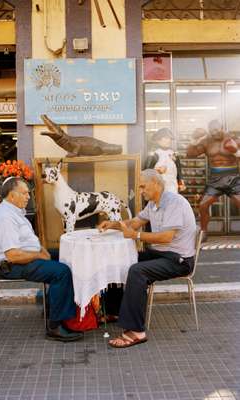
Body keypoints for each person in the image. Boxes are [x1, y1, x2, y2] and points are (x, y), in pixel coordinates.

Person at [98, 169, 196, 348]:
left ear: (156, 184)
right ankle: (114, 311)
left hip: (179, 260)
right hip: (161, 254)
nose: (141, 191)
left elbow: (166, 237)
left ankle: (136, 331)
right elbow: (135, 223)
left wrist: (135, 236)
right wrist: (113, 224)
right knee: (120, 259)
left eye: (143, 186)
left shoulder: (175, 203)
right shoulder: (152, 204)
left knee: (137, 271)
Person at [0, 176, 83, 342]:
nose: (28, 197)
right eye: (24, 193)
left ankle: (53, 305)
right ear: (12, 195)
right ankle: (55, 326)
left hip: (26, 257)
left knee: (68, 254)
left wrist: (41, 250)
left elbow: (27, 242)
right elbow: (13, 255)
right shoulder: (5, 218)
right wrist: (39, 255)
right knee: (61, 272)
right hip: (13, 266)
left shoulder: (13, 211)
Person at [187, 119, 240, 241]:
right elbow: (190, 154)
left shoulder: (233, 139)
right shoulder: (207, 142)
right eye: (212, 131)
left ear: (222, 127)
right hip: (215, 179)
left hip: (233, 178)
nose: (214, 133)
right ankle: (203, 232)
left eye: (217, 129)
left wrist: (236, 152)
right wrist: (193, 140)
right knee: (203, 205)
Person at [145, 128, 185, 193]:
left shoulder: (174, 154)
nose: (168, 140)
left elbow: (178, 169)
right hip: (158, 188)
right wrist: (157, 170)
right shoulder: (154, 154)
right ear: (158, 140)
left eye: (169, 138)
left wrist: (181, 182)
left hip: (173, 187)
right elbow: (147, 172)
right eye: (166, 138)